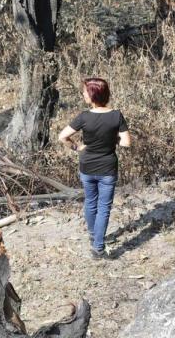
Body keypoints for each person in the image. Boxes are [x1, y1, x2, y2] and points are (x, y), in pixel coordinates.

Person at [58, 77, 131, 259]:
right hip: (107, 168)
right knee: (104, 207)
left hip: (87, 166)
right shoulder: (116, 116)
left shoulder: (84, 117)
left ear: (92, 94)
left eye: (84, 91)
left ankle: (93, 235)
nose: (83, 94)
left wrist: (77, 147)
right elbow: (126, 143)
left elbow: (62, 137)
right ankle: (98, 247)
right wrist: (111, 139)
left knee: (90, 202)